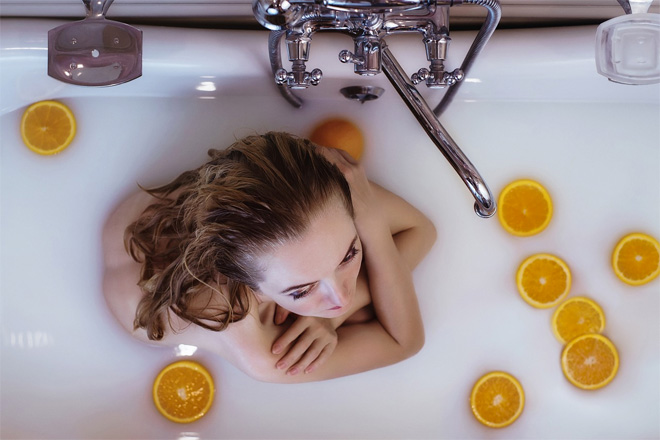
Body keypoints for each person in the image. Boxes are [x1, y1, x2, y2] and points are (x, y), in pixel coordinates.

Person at [102, 132, 436, 383]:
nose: (342, 296)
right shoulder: (260, 351)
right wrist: (370, 225)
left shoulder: (303, 195)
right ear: (250, 287)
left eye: (349, 253)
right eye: (301, 291)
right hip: (138, 312)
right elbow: (404, 342)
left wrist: (330, 317)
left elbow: (422, 229)